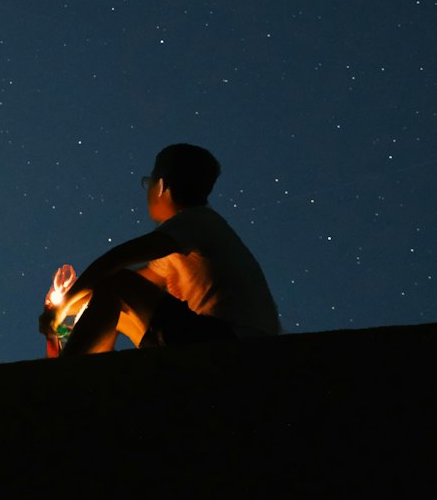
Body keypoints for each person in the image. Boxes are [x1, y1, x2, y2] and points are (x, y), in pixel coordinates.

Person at [39, 144, 280, 354]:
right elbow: (123, 289)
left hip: (230, 340)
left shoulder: (195, 221)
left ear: (161, 185)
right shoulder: (192, 235)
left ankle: (65, 373)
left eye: (149, 182)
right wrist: (64, 302)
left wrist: (61, 309)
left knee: (116, 283)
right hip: (212, 337)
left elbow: (115, 263)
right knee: (115, 301)